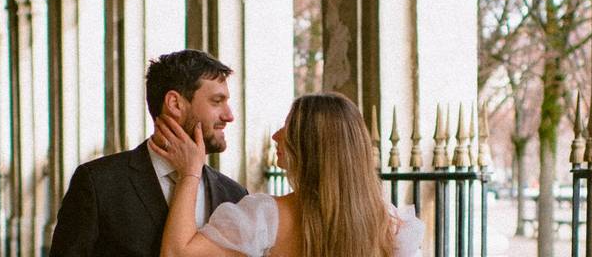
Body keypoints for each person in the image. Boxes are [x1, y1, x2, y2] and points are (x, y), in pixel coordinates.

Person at [155, 92, 425, 257]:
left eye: (288, 127)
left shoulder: (267, 217)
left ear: (310, 146)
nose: (276, 135)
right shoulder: (393, 228)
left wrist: (190, 172)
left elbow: (177, 253)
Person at [49, 50, 247, 257]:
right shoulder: (98, 183)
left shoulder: (235, 195)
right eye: (217, 101)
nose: (229, 115)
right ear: (175, 103)